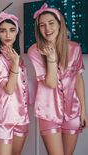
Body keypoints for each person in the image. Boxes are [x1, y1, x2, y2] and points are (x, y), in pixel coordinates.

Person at [28, 3, 88, 155]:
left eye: (51, 23)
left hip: (73, 111)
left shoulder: (75, 48)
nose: (47, 29)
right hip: (48, 111)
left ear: (60, 24)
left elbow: (78, 80)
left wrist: (83, 111)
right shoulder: (34, 51)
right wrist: (52, 59)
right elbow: (51, 83)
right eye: (42, 25)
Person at [0, 12, 29, 155]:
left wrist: (16, 60)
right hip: (4, 118)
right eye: (3, 31)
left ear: (17, 33)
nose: (7, 35)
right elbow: (9, 89)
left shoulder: (17, 57)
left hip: (22, 116)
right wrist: (15, 63)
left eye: (12, 30)